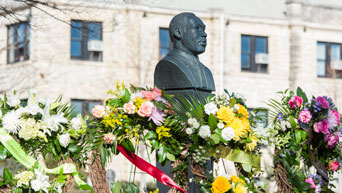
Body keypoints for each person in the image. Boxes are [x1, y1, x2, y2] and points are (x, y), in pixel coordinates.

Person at [154, 12, 215, 93]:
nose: (204, 34)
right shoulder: (167, 66)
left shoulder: (207, 72)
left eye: (203, 29)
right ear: (178, 33)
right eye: (197, 28)